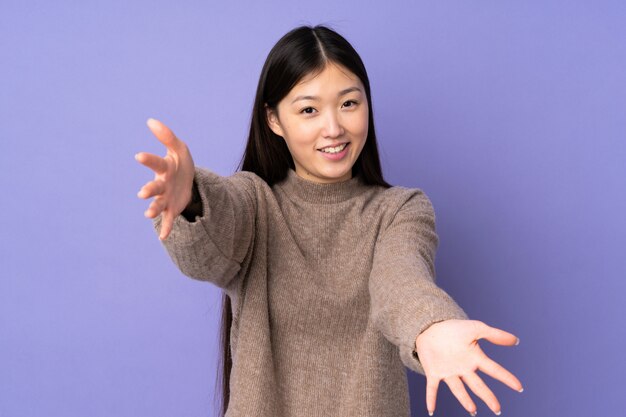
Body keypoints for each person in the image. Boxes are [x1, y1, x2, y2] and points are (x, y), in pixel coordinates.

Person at [135, 25, 523, 417]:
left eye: (349, 104)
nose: (334, 128)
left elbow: (400, 281)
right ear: (274, 120)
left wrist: (430, 326)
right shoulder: (256, 205)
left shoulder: (400, 210)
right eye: (308, 110)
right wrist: (192, 200)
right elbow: (213, 241)